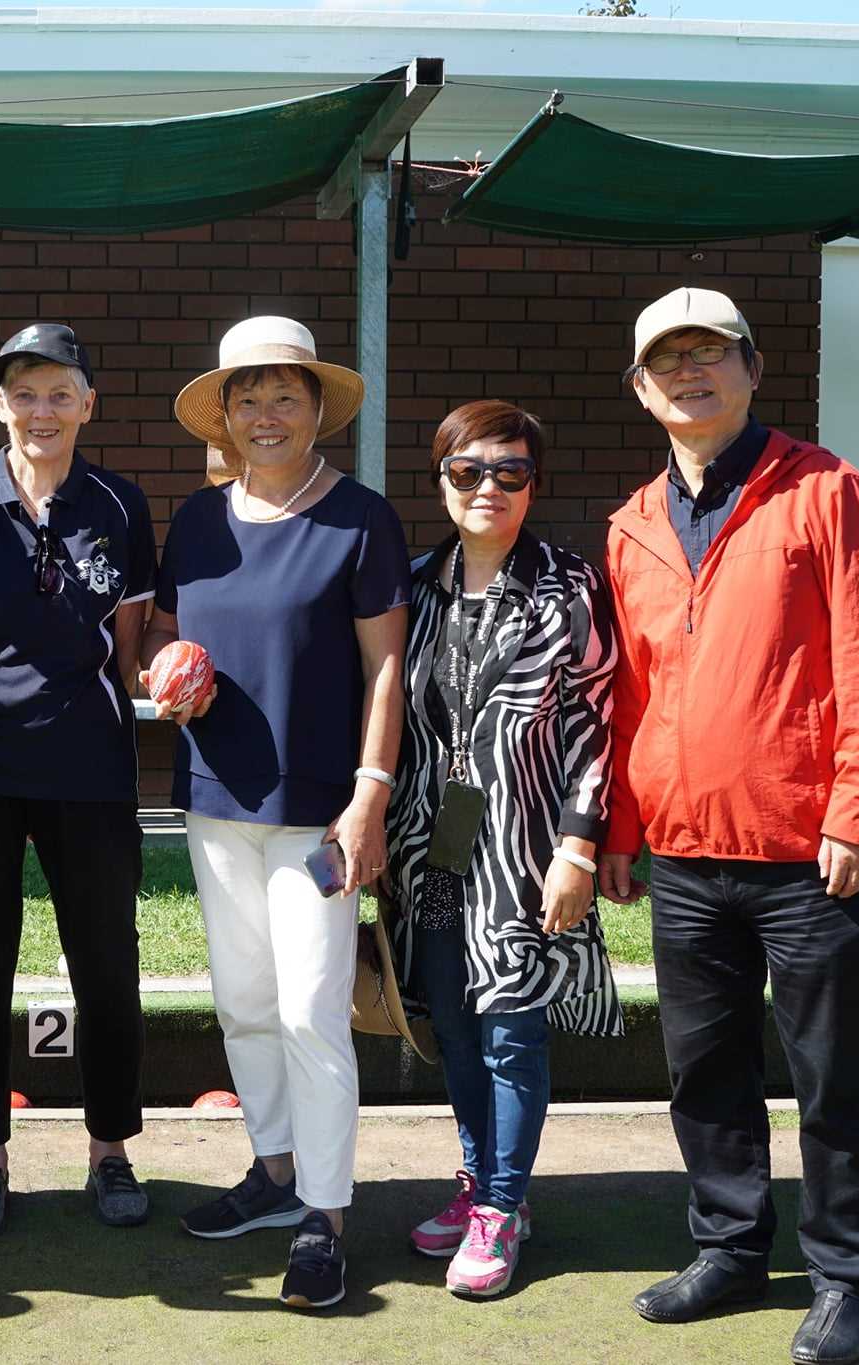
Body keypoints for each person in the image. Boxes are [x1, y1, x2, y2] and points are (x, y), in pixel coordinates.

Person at [600, 288, 859, 1365]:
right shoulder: (632, 524)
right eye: (667, 360)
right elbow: (631, 693)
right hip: (685, 855)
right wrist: (621, 827)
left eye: (711, 353)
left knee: (831, 1075)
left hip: (809, 854)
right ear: (640, 388)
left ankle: (845, 1277)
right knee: (703, 1069)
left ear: (750, 367)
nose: (689, 373)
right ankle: (730, 1249)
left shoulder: (828, 491)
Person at [143, 315, 411, 1310]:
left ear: (316, 408)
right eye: (247, 398)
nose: (266, 414)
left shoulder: (360, 519)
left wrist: (369, 791)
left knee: (309, 1012)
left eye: (284, 396)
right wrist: (162, 672)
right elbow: (161, 637)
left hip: (319, 813)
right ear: (223, 415)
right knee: (246, 1004)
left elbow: (386, 668)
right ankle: (273, 1169)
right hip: (216, 801)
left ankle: (324, 1217)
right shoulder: (198, 522)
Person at [0, 323, 158, 1236]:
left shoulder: (121, 503)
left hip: (88, 764)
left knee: (107, 962)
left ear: (88, 403)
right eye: (24, 393)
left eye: (60, 392)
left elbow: (129, 653)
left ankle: (111, 1149)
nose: (41, 410)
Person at [385, 400, 624, 1299]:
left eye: (510, 471)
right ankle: (481, 1179)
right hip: (431, 844)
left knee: (511, 1026)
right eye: (468, 470)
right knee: (451, 1018)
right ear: (441, 480)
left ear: (534, 482)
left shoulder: (570, 586)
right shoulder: (417, 584)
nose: (488, 486)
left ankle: (502, 1205)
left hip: (524, 843)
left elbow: (597, 724)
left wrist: (579, 847)